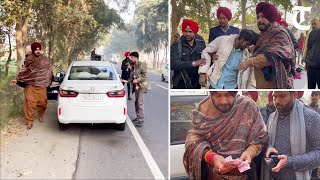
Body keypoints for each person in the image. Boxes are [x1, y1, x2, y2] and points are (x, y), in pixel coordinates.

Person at [183, 91, 268, 180]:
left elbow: (260, 137)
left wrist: (249, 153)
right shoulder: (203, 112)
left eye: (228, 95)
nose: (223, 101)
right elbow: (193, 142)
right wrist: (212, 157)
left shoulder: (248, 107)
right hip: (214, 176)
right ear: (211, 94)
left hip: (246, 175)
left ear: (234, 93)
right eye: (217, 95)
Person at [263, 91, 320, 180]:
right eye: (274, 97)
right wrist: (269, 147)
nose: (277, 101)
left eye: (282, 96)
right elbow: (267, 141)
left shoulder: (311, 117)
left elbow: (318, 153)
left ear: (295, 95)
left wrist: (290, 161)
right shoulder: (271, 118)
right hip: (272, 176)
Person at [238, 2, 294, 89]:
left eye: (263, 17)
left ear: (271, 17)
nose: (260, 20)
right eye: (258, 17)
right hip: (262, 82)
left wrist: (249, 62)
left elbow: (272, 56)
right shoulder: (263, 34)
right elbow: (262, 49)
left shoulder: (279, 33)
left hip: (275, 84)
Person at [10, 42, 53, 129]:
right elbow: (25, 71)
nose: (37, 51)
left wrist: (50, 80)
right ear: (33, 50)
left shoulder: (45, 59)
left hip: (42, 86)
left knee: (43, 104)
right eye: (35, 49)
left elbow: (49, 71)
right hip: (31, 86)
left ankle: (41, 114)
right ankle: (29, 121)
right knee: (30, 103)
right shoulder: (29, 59)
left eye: (38, 49)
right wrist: (18, 80)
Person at [171, 19, 206, 89]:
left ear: (195, 32)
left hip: (196, 83)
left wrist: (203, 74)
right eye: (185, 31)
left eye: (190, 32)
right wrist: (193, 63)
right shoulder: (176, 46)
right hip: (180, 83)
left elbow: (205, 60)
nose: (187, 34)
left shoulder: (201, 44)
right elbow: (173, 64)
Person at [130, 52, 150, 127]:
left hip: (141, 86)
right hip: (136, 86)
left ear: (136, 57)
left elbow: (145, 76)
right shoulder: (133, 65)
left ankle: (141, 119)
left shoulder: (142, 64)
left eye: (132, 57)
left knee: (139, 102)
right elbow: (133, 76)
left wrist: (137, 80)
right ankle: (138, 116)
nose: (131, 59)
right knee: (136, 102)